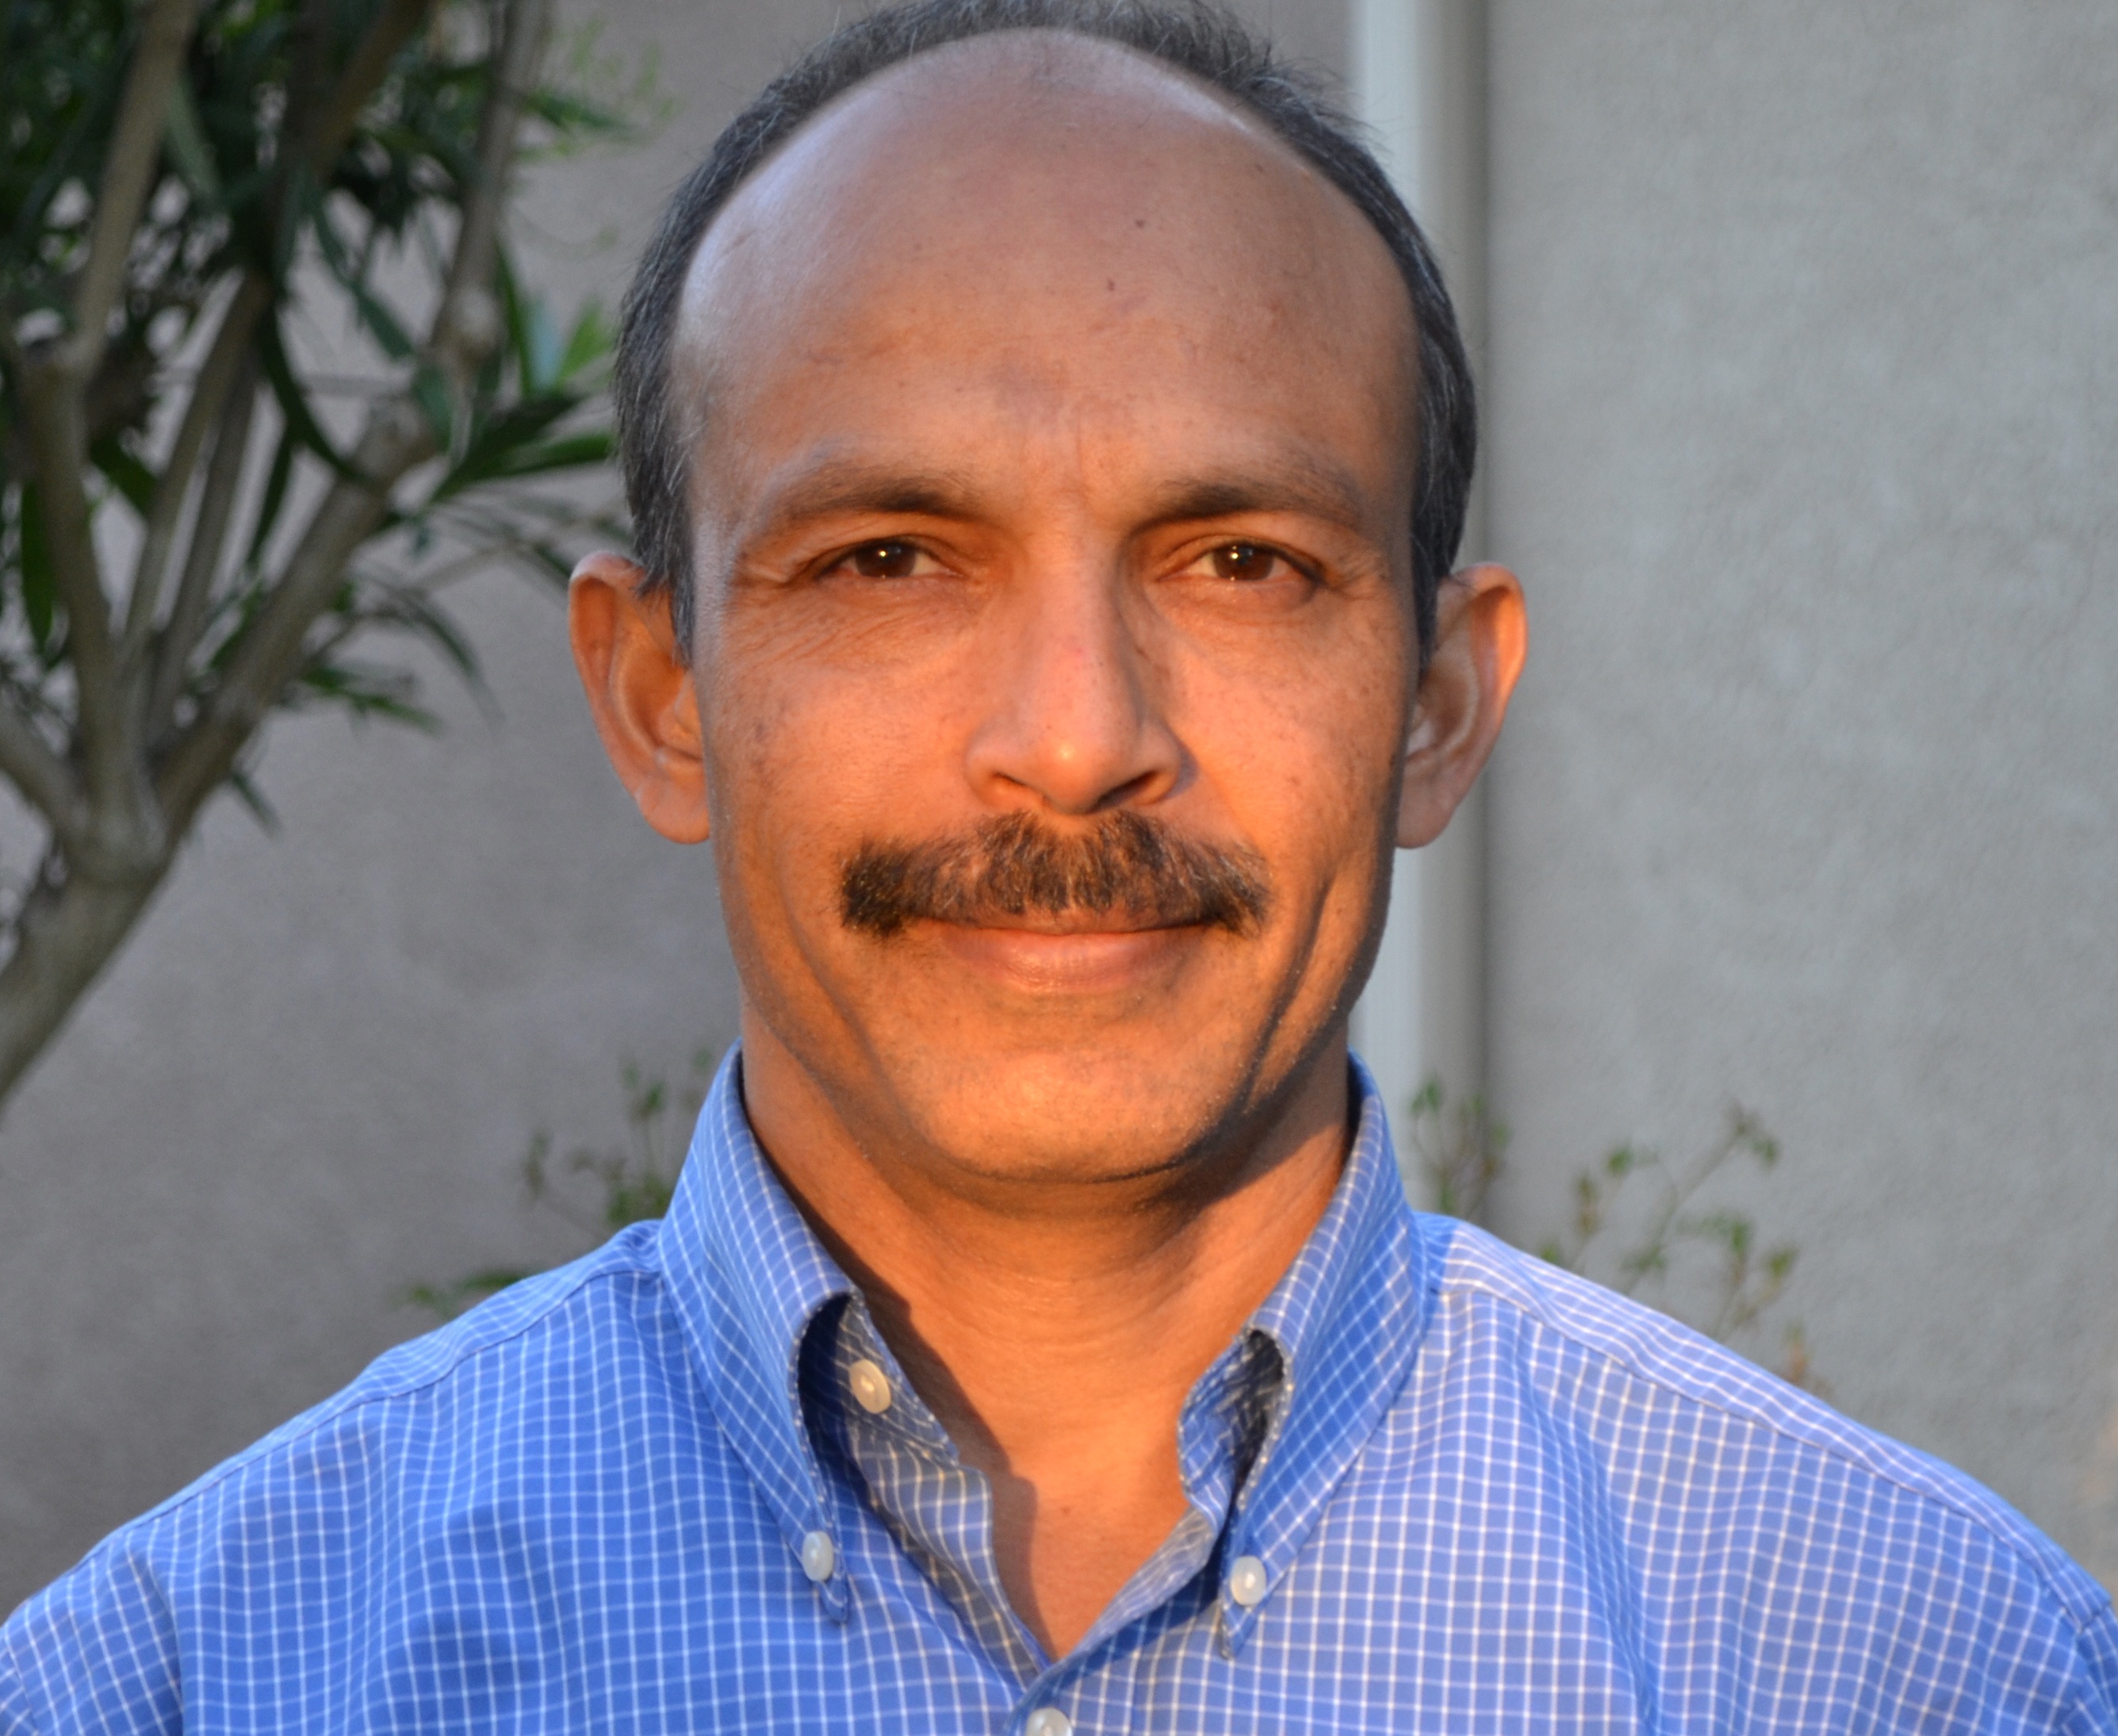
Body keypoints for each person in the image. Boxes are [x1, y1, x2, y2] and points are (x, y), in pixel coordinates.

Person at [6, 0, 2115, 1727]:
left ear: (1439, 706)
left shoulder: (1917, 1671)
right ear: (660, 700)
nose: (1081, 739)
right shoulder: (201, 1682)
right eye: (892, 559)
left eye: (1239, 560)